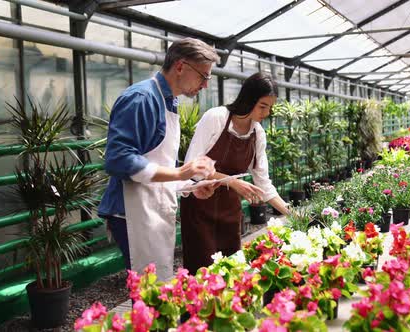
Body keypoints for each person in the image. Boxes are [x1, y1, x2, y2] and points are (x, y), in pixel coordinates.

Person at [97, 38, 220, 281]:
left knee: (157, 290)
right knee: (148, 294)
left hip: (152, 209)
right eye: (203, 76)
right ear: (181, 66)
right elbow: (118, 159)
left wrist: (190, 186)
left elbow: (159, 163)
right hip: (131, 213)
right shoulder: (142, 98)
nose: (205, 85)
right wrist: (179, 174)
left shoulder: (168, 101)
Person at [179, 72, 290, 275]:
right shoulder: (216, 118)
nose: (266, 113)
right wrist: (231, 182)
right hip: (199, 207)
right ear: (248, 99)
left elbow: (263, 183)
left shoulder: (257, 134)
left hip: (230, 210)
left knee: (232, 270)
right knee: (203, 272)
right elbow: (192, 166)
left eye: (270, 107)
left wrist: (290, 212)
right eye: (262, 106)